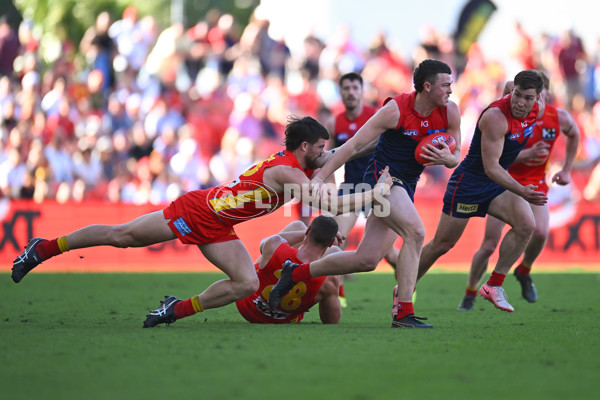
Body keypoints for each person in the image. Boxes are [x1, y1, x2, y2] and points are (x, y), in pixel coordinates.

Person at [10, 116, 392, 328]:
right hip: (198, 211)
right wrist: (374, 195)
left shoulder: (296, 162)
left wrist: (385, 138)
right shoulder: (289, 173)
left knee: (246, 283)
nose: (325, 154)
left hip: (221, 226)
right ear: (305, 147)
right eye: (320, 148)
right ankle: (43, 248)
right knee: (122, 235)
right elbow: (325, 199)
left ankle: (175, 309)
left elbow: (345, 151)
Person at [268, 59, 462, 328]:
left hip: (406, 184)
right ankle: (403, 311)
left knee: (367, 259)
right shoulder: (396, 109)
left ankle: (296, 272)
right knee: (416, 232)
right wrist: (321, 178)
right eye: (446, 85)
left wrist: (447, 159)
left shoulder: (451, 111)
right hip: (382, 180)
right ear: (427, 87)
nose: (451, 90)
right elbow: (354, 145)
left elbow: (456, 156)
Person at [416, 69, 547, 313]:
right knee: (442, 245)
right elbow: (491, 168)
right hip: (471, 183)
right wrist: (523, 191)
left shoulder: (537, 107)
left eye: (527, 98)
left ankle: (493, 285)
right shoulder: (495, 118)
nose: (520, 102)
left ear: (538, 98)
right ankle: (404, 287)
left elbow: (511, 83)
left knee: (526, 225)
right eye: (517, 95)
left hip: (496, 184)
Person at [457, 72, 580, 310]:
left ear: (544, 95)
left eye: (536, 97)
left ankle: (523, 271)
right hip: (504, 181)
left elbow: (574, 133)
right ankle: (471, 291)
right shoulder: (511, 114)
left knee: (541, 231)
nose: (530, 103)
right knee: (489, 244)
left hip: (535, 183)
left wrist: (567, 169)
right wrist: (527, 154)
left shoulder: (557, 118)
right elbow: (496, 157)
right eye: (521, 95)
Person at [236, 215, 342, 324]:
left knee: (297, 225)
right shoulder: (329, 279)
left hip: (247, 306)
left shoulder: (274, 245)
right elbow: (331, 320)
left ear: (308, 231)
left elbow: (264, 243)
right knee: (335, 253)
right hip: (283, 320)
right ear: (330, 243)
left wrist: (310, 231)